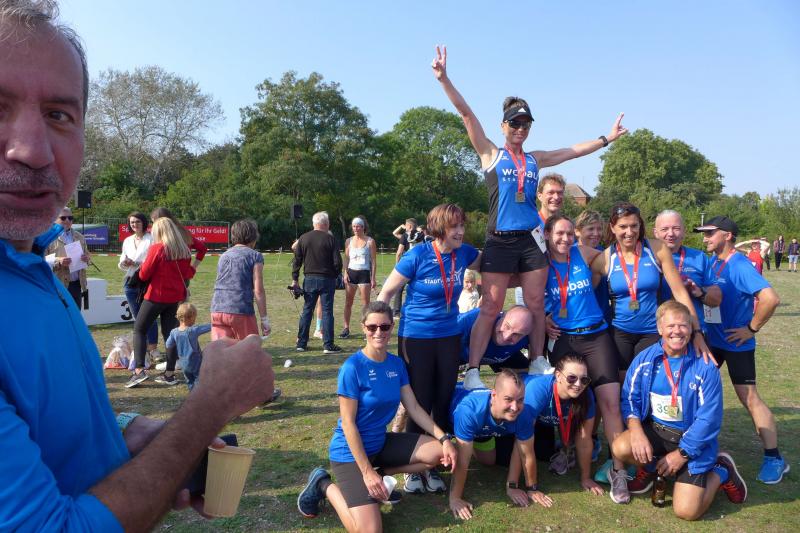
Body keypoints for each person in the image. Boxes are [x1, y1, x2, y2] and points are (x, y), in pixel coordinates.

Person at [0, 3, 275, 529]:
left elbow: (46, 415)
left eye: (59, 114)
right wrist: (208, 406)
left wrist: (122, 429)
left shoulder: (34, 263)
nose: (32, 150)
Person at [431, 45, 629, 390]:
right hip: (500, 240)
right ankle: (474, 370)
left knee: (536, 303)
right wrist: (444, 79)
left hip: (530, 240)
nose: (520, 129)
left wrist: (606, 139)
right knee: (490, 307)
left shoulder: (535, 159)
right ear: (503, 125)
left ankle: (538, 360)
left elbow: (570, 152)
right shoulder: (491, 154)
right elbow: (466, 114)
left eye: (526, 124)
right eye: (515, 123)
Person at [296, 301, 458, 532]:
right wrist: (366, 471)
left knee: (437, 453)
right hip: (349, 454)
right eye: (372, 327)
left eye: (384, 326)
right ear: (363, 327)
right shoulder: (352, 367)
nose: (378, 332)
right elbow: (348, 424)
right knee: (369, 530)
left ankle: (380, 475)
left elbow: (413, 407)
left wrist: (444, 439)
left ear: (392, 327)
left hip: (379, 444)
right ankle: (323, 484)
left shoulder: (396, 364)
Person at [378, 203, 481, 493]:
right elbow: (387, 291)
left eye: (462, 225)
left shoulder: (465, 253)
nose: (460, 231)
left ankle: (433, 463)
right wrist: (377, 327)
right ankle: (413, 467)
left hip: (449, 336)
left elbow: (495, 262)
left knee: (443, 399)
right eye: (454, 226)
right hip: (416, 337)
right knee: (419, 400)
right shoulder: (417, 255)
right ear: (439, 229)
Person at [612, 301, 747, 519]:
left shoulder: (705, 366)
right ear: (659, 329)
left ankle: (722, 471)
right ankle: (654, 468)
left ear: (691, 329)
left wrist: (682, 454)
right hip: (658, 432)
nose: (677, 331)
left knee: (687, 512)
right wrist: (636, 430)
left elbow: (709, 420)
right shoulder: (644, 360)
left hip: (692, 442)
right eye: (671, 326)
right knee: (620, 447)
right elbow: (630, 398)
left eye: (683, 325)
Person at [541, 215, 627, 495]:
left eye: (569, 233)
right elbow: (529, 296)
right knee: (566, 400)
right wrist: (544, 316)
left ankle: (618, 470)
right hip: (563, 338)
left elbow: (616, 259)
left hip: (595, 337)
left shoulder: (583, 253)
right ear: (547, 235)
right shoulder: (540, 262)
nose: (565, 239)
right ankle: (567, 450)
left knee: (610, 403)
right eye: (559, 234)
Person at [696, 216, 786, 483]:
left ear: (727, 235)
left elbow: (771, 299)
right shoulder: (713, 262)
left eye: (710, 233)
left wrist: (751, 328)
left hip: (736, 343)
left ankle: (775, 458)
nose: (705, 238)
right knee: (696, 391)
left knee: (749, 398)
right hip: (712, 341)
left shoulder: (740, 265)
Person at [590, 202, 712, 379]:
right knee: (624, 383)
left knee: (647, 379)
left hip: (652, 330)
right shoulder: (605, 259)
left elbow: (680, 293)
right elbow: (585, 296)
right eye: (623, 227)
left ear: (640, 226)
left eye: (634, 226)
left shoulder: (657, 249)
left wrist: (697, 332)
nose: (629, 232)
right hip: (619, 332)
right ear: (612, 227)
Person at [448, 371, 544, 520]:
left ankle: (468, 443)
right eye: (508, 399)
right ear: (494, 395)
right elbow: (463, 462)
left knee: (488, 460)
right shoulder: (469, 411)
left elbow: (526, 453)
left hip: (481, 430)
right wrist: (455, 498)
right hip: (447, 421)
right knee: (450, 456)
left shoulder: (524, 412)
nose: (515, 407)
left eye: (520, 400)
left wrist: (530, 488)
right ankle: (459, 445)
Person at [521, 356, 605, 498]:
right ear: (558, 376)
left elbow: (584, 440)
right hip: (520, 417)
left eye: (584, 380)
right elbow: (522, 439)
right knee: (506, 457)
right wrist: (531, 487)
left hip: (545, 421)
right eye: (572, 378)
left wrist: (586, 478)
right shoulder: (538, 389)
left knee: (543, 453)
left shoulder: (586, 395)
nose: (578, 384)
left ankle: (567, 449)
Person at [127, 217, 196, 387]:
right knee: (170, 334)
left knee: (139, 329)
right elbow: (189, 274)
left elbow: (144, 274)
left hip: (156, 296)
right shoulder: (184, 250)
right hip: (175, 297)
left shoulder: (157, 248)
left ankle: (139, 370)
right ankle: (169, 374)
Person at [653, 210, 722, 333]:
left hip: (692, 330)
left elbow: (716, 300)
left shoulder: (699, 257)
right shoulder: (646, 258)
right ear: (655, 233)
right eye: (664, 229)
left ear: (684, 231)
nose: (671, 234)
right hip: (656, 331)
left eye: (676, 228)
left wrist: (700, 293)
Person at [210, 218, 271, 340]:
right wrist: (264, 319)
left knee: (222, 349)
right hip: (240, 310)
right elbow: (258, 290)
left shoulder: (223, 256)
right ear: (253, 237)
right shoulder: (255, 256)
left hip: (217, 309)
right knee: (249, 348)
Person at [292, 211, 343, 353]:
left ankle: (301, 343)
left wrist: (295, 279)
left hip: (309, 278)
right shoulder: (330, 239)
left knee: (307, 310)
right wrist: (335, 275)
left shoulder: (303, 238)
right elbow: (337, 262)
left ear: (314, 224)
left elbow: (297, 261)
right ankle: (328, 344)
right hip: (327, 279)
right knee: (327, 311)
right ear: (326, 224)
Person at [119, 210, 159, 360]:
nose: (134, 224)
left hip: (147, 281)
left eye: (137, 221)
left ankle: (153, 349)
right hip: (130, 281)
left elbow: (155, 261)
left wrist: (137, 263)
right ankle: (143, 349)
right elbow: (121, 261)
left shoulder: (152, 239)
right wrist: (124, 263)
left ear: (144, 223)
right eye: (132, 222)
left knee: (149, 316)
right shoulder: (127, 241)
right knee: (138, 317)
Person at [458, 305, 532, 372]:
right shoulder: (473, 320)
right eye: (507, 326)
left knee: (529, 374)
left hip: (503, 354)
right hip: (458, 352)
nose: (506, 336)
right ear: (502, 316)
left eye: (516, 334)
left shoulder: (528, 337)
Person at [45, 206, 90, 307]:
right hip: (57, 285)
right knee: (58, 314)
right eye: (63, 218)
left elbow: (87, 256)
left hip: (77, 285)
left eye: (70, 218)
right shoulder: (47, 237)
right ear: (54, 218)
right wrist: (58, 261)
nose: (67, 220)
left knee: (74, 314)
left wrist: (86, 258)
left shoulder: (80, 236)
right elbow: (40, 260)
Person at [340, 216, 377, 338]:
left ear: (363, 227)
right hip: (351, 273)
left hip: (364, 274)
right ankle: (346, 328)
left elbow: (373, 261)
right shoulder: (348, 241)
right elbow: (346, 258)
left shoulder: (370, 241)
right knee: (348, 302)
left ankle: (367, 327)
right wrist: (345, 273)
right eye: (354, 226)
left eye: (358, 226)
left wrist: (373, 278)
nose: (356, 228)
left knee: (366, 304)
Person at [165, 303, 211, 390]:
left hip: (183, 363)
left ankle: (192, 394)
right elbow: (208, 327)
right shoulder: (193, 330)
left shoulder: (174, 332)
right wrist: (216, 323)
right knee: (199, 379)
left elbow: (168, 344)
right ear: (191, 318)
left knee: (189, 381)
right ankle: (199, 395)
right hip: (195, 362)